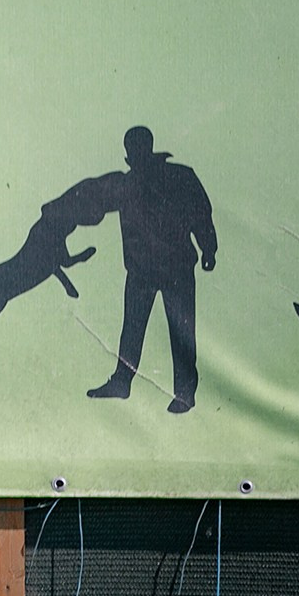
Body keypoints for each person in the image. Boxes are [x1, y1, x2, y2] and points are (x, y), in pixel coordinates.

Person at [85, 126, 216, 413]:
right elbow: (91, 204)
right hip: (145, 270)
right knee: (136, 328)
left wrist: (209, 248)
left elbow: (200, 212)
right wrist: (208, 248)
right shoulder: (131, 184)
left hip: (173, 268)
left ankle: (183, 394)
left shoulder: (174, 177)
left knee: (179, 330)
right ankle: (125, 383)